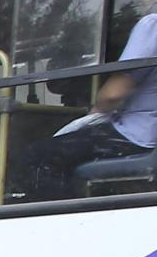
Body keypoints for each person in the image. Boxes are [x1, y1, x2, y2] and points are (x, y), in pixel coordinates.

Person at [22, 13, 157, 198]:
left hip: (138, 135)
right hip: (149, 135)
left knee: (38, 157)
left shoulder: (152, 25)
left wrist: (94, 114)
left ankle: (66, 216)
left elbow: (113, 94)